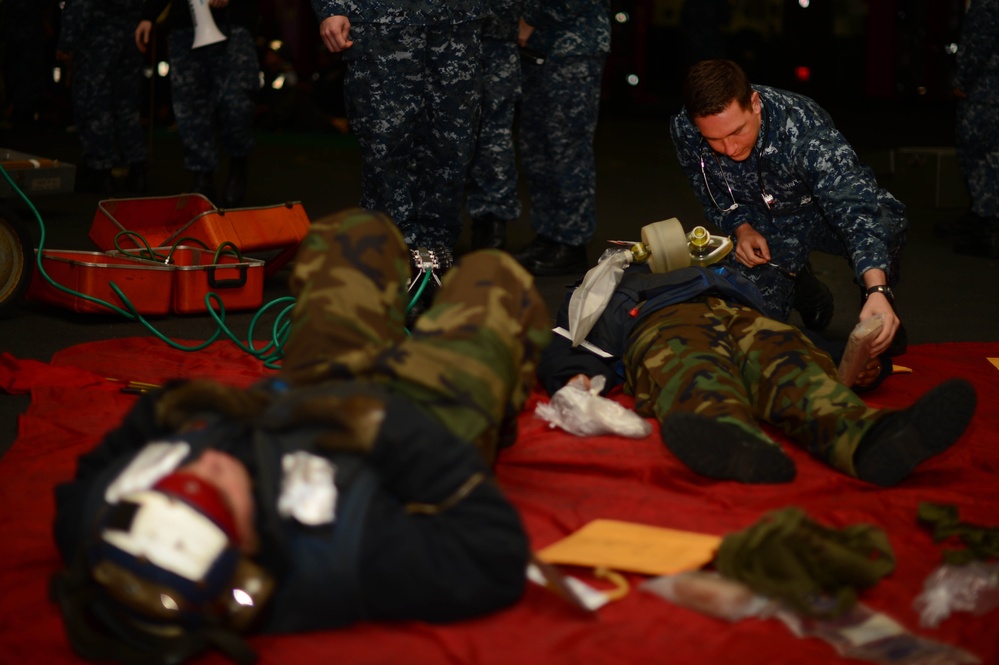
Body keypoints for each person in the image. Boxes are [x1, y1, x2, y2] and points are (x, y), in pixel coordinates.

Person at [50, 208, 552, 664]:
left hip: (298, 396)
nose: (204, 466)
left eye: (173, 480)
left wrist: (171, 407)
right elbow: (495, 555)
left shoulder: (101, 520)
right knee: (493, 276)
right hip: (407, 429)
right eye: (219, 493)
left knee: (354, 232)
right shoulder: (340, 556)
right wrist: (386, 427)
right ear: (248, 559)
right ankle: (491, 417)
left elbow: (91, 475)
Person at [536, 239, 977, 486]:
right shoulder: (600, 286)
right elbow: (564, 340)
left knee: (788, 357)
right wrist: (572, 379)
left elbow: (806, 342)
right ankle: (733, 440)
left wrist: (867, 366)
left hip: (743, 316)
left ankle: (865, 438)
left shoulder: (720, 276)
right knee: (691, 364)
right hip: (659, 321)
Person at [670, 59, 908, 357]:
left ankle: (877, 302)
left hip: (822, 213)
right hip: (766, 226)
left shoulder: (804, 129)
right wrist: (741, 228)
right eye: (714, 140)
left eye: (736, 132)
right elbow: (707, 189)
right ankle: (801, 283)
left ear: (754, 104)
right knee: (747, 336)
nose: (729, 148)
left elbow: (853, 207)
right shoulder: (686, 128)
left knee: (887, 223)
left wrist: (877, 290)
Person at [310, 0, 485, 270]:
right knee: (385, 143)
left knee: (452, 145)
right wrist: (331, 7)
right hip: (381, 22)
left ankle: (434, 261)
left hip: (457, 21)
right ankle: (396, 260)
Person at [512, 0, 611, 276]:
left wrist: (529, 18)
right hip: (541, 48)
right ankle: (549, 233)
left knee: (567, 149)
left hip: (574, 47)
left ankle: (571, 242)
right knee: (538, 147)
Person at [135, 0, 259, 207]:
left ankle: (239, 163)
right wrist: (148, 15)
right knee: (190, 108)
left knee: (237, 103)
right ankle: (202, 177)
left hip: (232, 26)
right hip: (184, 28)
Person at [57, 0, 149, 196]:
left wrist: (66, 42)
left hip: (98, 39)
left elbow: (80, 4)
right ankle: (137, 170)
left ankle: (101, 173)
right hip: (130, 35)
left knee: (93, 104)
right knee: (127, 106)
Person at [465, 0, 524, 251]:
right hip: (448, 34)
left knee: (493, 136)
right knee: (491, 135)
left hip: (494, 35)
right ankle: (489, 228)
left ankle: (491, 226)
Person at [947, 0, 999, 258]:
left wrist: (962, 78)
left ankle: (986, 228)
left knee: (982, 157)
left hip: (987, 90)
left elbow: (979, 40)